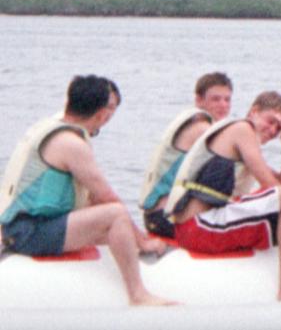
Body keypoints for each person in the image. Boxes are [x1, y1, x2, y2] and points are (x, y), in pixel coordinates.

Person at [0, 75, 176, 306]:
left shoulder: (49, 128)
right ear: (101, 114)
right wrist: (142, 242)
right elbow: (106, 198)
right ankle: (138, 294)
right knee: (116, 215)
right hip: (30, 233)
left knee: (118, 231)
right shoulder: (71, 144)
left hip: (18, 228)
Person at [160, 90, 281, 301]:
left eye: (279, 129)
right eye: (271, 121)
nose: (273, 130)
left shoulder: (244, 143)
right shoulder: (242, 130)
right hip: (198, 227)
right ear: (254, 112)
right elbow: (277, 189)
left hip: (197, 227)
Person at [140, 71, 233, 238]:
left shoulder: (192, 119)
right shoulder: (201, 128)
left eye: (227, 99)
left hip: (154, 216)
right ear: (199, 100)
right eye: (216, 99)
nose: (223, 105)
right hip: (164, 218)